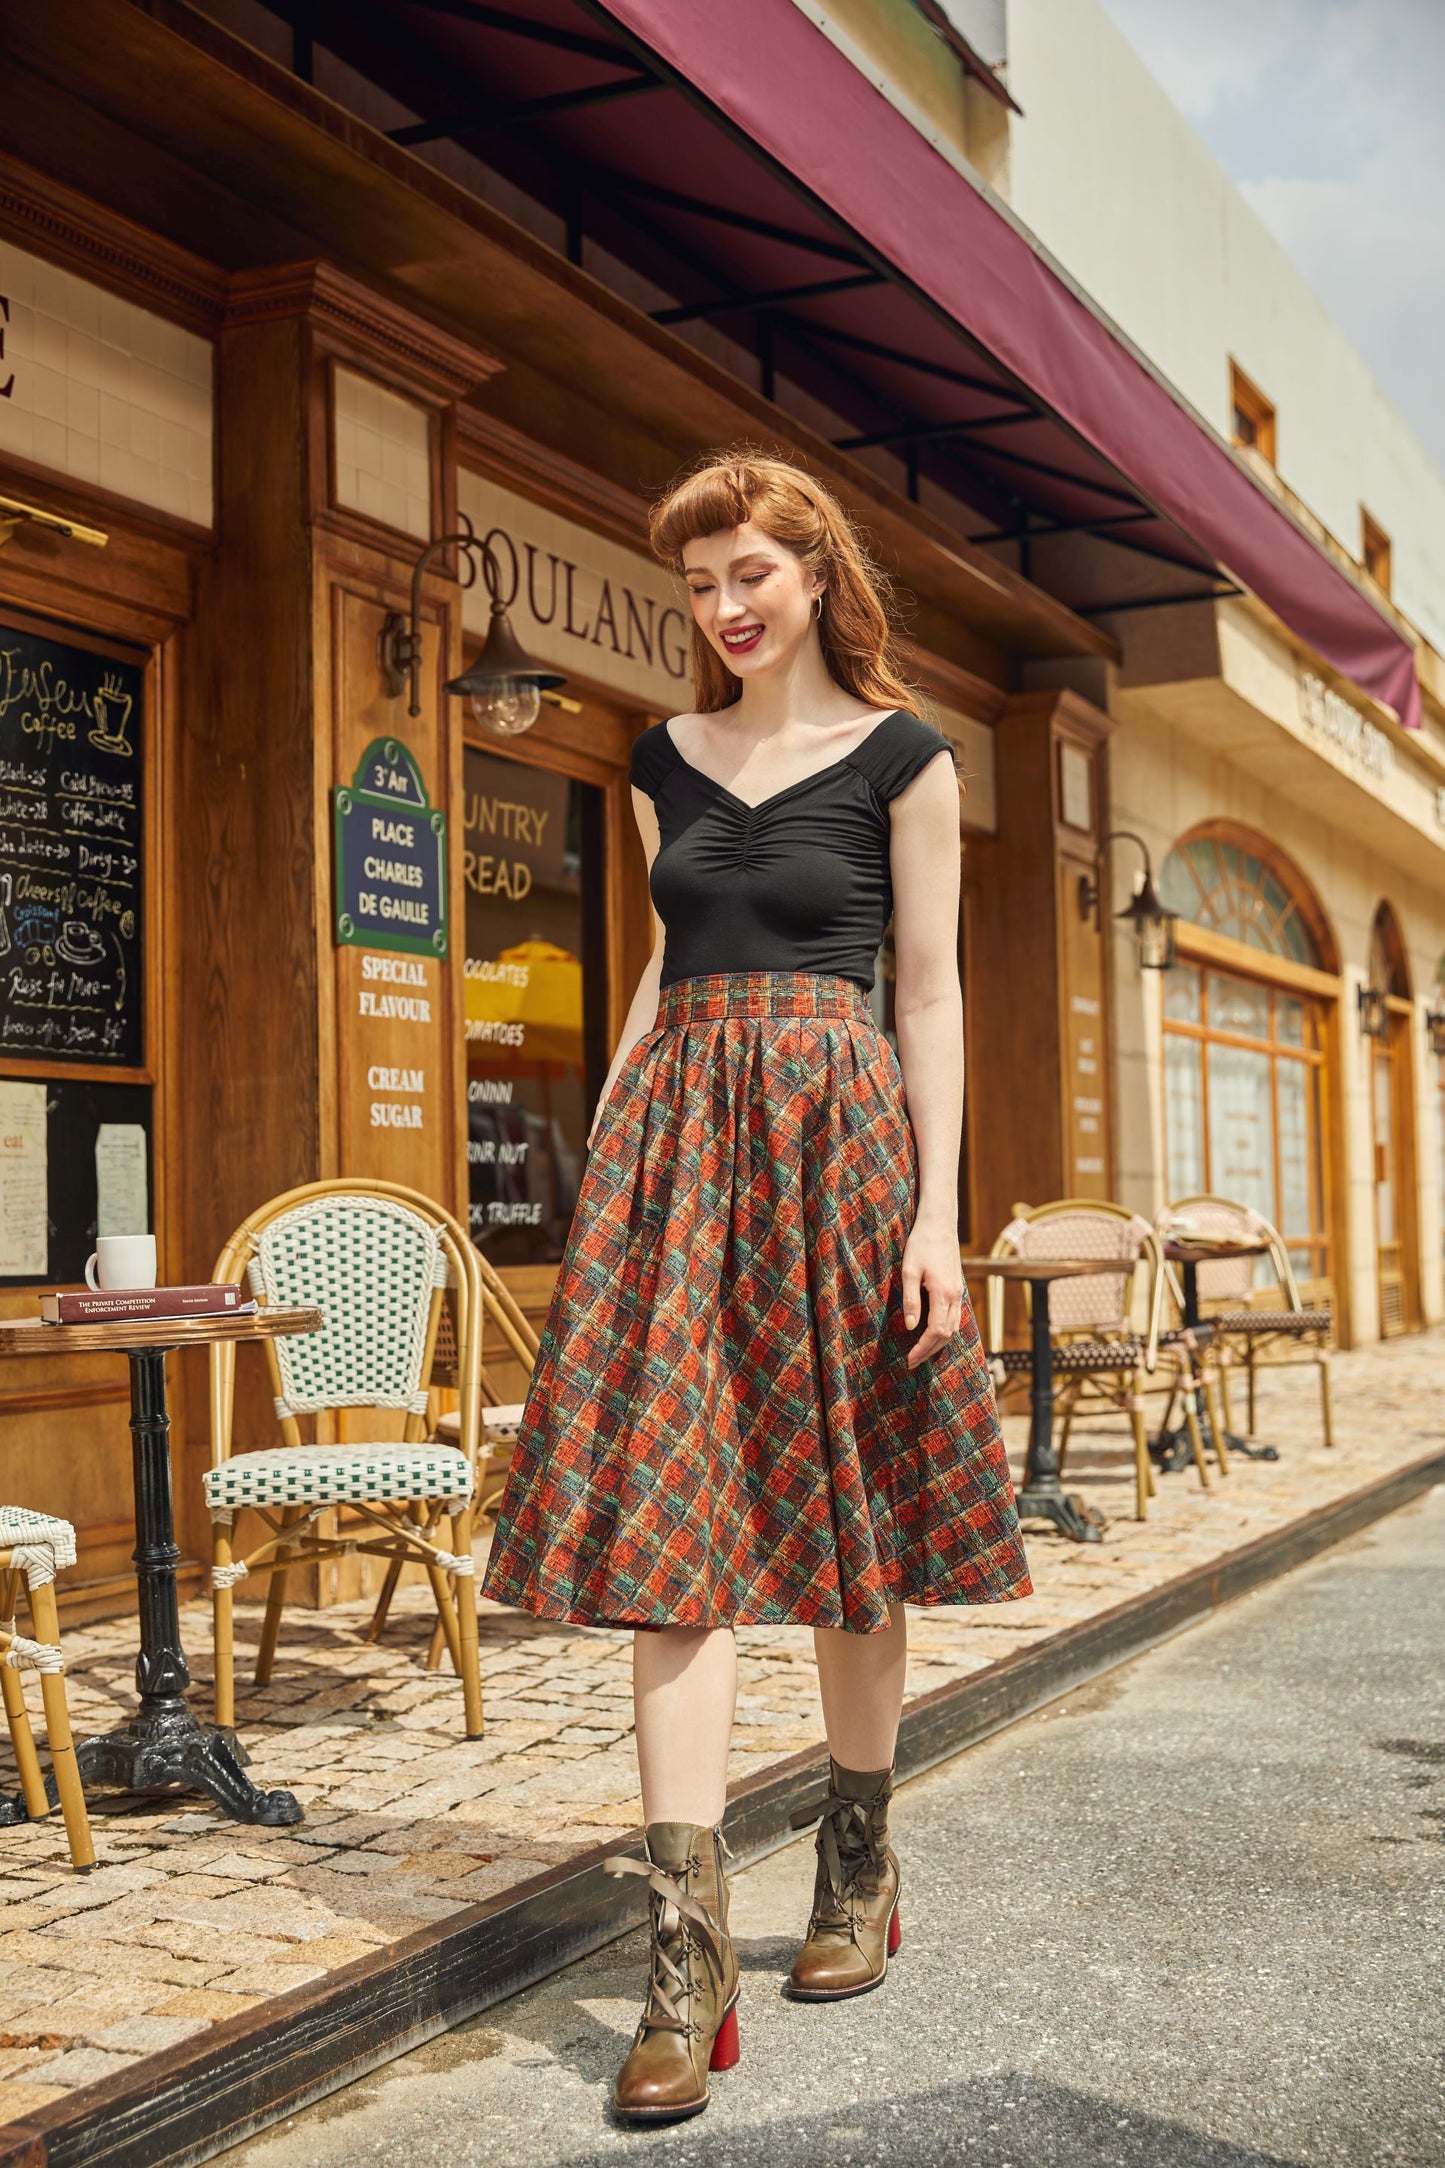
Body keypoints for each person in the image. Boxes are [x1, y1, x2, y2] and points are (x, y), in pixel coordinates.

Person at [480, 447, 1032, 2125]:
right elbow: (656, 965)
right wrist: (606, 1185)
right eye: (699, 585)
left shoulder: (906, 758)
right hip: (677, 1155)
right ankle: (682, 1961)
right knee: (674, 1540)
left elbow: (925, 998)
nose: (721, 610)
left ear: (814, 578)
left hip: (843, 1147)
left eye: (747, 578)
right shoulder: (658, 758)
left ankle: (857, 1865)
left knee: (852, 1536)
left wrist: (937, 1216)